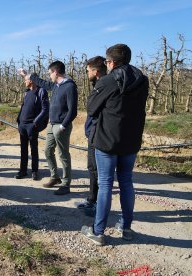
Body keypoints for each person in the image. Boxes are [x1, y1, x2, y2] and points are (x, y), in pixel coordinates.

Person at [81, 44, 149, 246]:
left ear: (110, 62)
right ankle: (126, 227)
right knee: (127, 182)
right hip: (131, 140)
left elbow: (92, 108)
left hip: (107, 140)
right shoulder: (142, 80)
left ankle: (98, 231)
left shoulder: (109, 80)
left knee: (106, 184)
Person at [18, 61, 78, 195]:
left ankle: (66, 183)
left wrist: (63, 125)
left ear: (56, 72)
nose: (49, 76)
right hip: (52, 125)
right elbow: (42, 82)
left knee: (63, 154)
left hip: (61, 126)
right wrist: (27, 74)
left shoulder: (69, 87)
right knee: (47, 151)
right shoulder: (56, 86)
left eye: (50, 73)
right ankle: (54, 177)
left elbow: (73, 111)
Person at [75, 56, 107, 216]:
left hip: (99, 135)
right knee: (92, 168)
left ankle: (96, 205)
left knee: (97, 170)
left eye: (88, 70)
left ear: (95, 71)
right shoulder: (98, 85)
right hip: (93, 133)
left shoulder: (104, 87)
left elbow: (93, 110)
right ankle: (92, 200)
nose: (86, 73)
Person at [15, 74, 49, 180]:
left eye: (26, 80)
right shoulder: (26, 92)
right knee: (23, 149)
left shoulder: (41, 91)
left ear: (31, 81)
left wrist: (35, 122)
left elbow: (45, 109)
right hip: (22, 125)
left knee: (34, 149)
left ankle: (34, 171)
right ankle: (23, 170)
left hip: (32, 125)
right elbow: (23, 106)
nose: (24, 81)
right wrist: (19, 120)